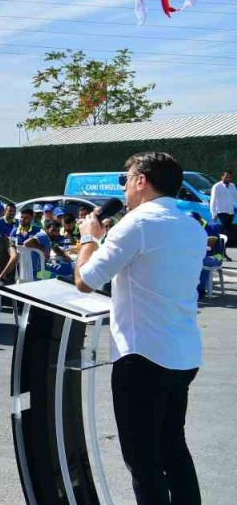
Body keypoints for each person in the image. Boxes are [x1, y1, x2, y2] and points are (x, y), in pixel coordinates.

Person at [74, 152, 204, 505]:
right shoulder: (191, 224)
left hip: (142, 355)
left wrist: (89, 238)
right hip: (182, 353)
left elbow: (85, 279)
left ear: (142, 180)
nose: (125, 186)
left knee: (143, 462)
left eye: (126, 178)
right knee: (173, 449)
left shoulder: (137, 224)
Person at [210, 170, 236, 244]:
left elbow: (235, 197)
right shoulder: (217, 186)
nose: (228, 179)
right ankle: (221, 249)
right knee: (224, 230)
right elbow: (213, 200)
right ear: (221, 177)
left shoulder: (232, 186)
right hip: (221, 211)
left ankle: (224, 249)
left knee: (228, 231)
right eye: (226, 177)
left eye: (229, 177)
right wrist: (213, 213)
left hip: (230, 211)